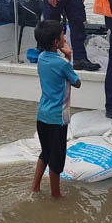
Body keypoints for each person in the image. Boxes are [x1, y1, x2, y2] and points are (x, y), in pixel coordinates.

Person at [30, 19, 81, 198]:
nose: (64, 37)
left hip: (42, 115)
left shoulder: (42, 58)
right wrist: (68, 56)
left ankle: (34, 188)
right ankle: (56, 196)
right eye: (62, 35)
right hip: (57, 118)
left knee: (45, 152)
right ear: (56, 42)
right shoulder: (62, 63)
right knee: (56, 161)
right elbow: (77, 82)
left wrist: (63, 56)